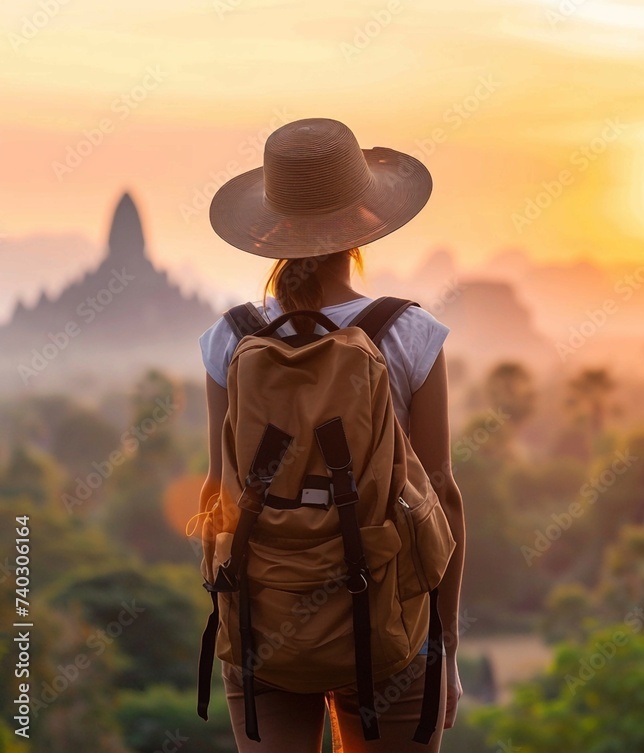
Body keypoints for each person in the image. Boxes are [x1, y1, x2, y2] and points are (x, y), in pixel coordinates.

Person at [196, 118, 466, 752]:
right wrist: (445, 646)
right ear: (364, 220)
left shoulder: (229, 339)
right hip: (389, 625)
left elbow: (218, 495)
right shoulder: (409, 333)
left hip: (266, 626)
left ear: (269, 230)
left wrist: (244, 605)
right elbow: (443, 496)